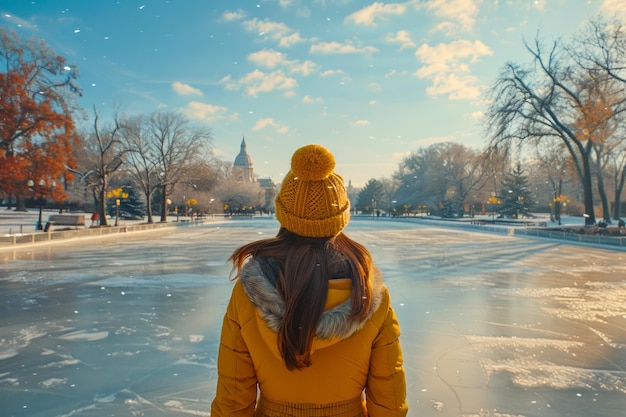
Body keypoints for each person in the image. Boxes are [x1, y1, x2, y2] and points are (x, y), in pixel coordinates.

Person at [211, 144, 408, 417]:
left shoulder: (249, 293)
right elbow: (389, 401)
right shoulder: (370, 294)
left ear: (285, 215)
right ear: (340, 218)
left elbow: (233, 401)